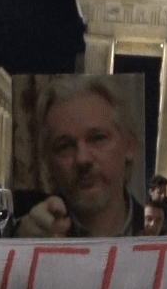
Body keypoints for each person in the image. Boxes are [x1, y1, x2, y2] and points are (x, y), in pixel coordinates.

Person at [18, 77, 144, 237]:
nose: (82, 159)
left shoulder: (164, 229)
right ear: (48, 163)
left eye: (97, 138)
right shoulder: (25, 229)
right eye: (65, 146)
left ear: (129, 145)